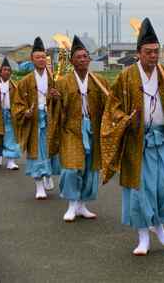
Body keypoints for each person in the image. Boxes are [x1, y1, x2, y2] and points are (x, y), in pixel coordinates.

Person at [101, 18, 164, 255]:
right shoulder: (126, 77)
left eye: (156, 52)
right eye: (148, 52)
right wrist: (125, 120)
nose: (153, 56)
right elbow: (113, 107)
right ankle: (143, 236)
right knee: (141, 189)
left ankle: (159, 226)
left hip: (163, 141)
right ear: (138, 53)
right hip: (137, 142)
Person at [51, 35, 110, 222]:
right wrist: (54, 99)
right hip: (72, 130)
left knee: (90, 169)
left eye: (86, 56)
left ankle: (83, 205)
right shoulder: (62, 82)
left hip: (93, 129)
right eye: (79, 57)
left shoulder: (99, 80)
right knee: (71, 168)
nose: (83, 59)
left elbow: (109, 106)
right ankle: (71, 204)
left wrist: (111, 100)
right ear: (72, 61)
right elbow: (56, 109)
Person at [13, 37, 60, 200]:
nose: (41, 60)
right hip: (33, 122)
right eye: (38, 57)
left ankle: (48, 175)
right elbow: (17, 103)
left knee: (50, 151)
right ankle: (39, 185)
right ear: (32, 60)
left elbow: (61, 101)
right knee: (36, 153)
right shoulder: (25, 82)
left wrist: (56, 97)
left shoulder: (53, 79)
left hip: (50, 120)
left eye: (43, 57)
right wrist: (25, 112)